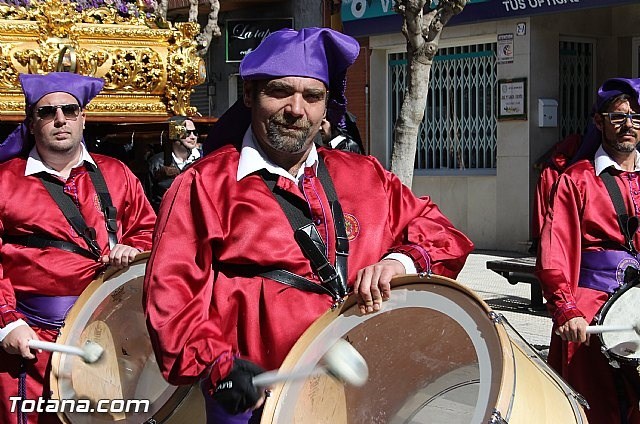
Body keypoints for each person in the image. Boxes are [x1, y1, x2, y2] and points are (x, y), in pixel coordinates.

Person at [144, 27, 474, 423]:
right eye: (279, 92)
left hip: (366, 398)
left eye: (312, 96)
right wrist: (220, 367)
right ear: (249, 95)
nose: (296, 109)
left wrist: (400, 262)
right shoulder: (203, 186)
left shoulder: (366, 176)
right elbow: (172, 299)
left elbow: (443, 234)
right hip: (258, 405)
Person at [0, 72, 156, 424]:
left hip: (115, 337)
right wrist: (7, 323)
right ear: (31, 121)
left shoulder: (117, 173)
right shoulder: (5, 182)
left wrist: (133, 249)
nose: (60, 120)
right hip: (35, 340)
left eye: (69, 110)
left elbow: (151, 230)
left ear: (83, 117)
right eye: (47, 112)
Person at [536, 77, 640, 424]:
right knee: (596, 407)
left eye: (636, 117)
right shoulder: (577, 179)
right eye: (618, 117)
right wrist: (566, 308)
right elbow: (555, 251)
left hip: (637, 305)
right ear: (599, 122)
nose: (629, 125)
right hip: (589, 306)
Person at [147, 116, 201, 211]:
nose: (193, 137)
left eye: (195, 133)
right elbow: (148, 198)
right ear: (173, 134)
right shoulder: (156, 163)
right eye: (187, 133)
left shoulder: (202, 161)